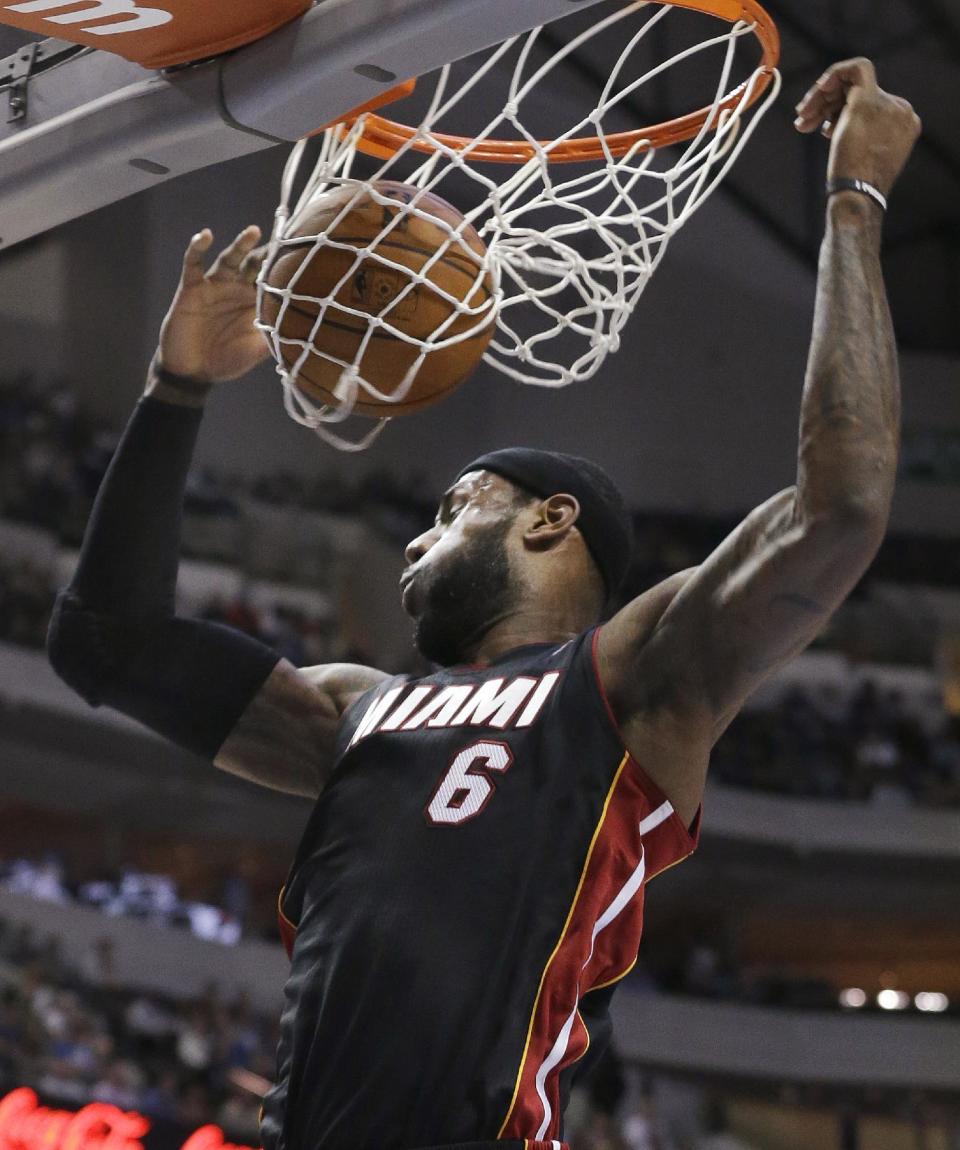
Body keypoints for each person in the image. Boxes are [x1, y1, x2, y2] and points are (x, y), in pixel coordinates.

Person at [47, 59, 919, 1150]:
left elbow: (840, 509)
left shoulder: (631, 680)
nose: (416, 536)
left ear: (551, 521)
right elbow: (105, 641)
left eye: (457, 505)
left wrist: (856, 197)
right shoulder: (352, 710)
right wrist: (176, 390)